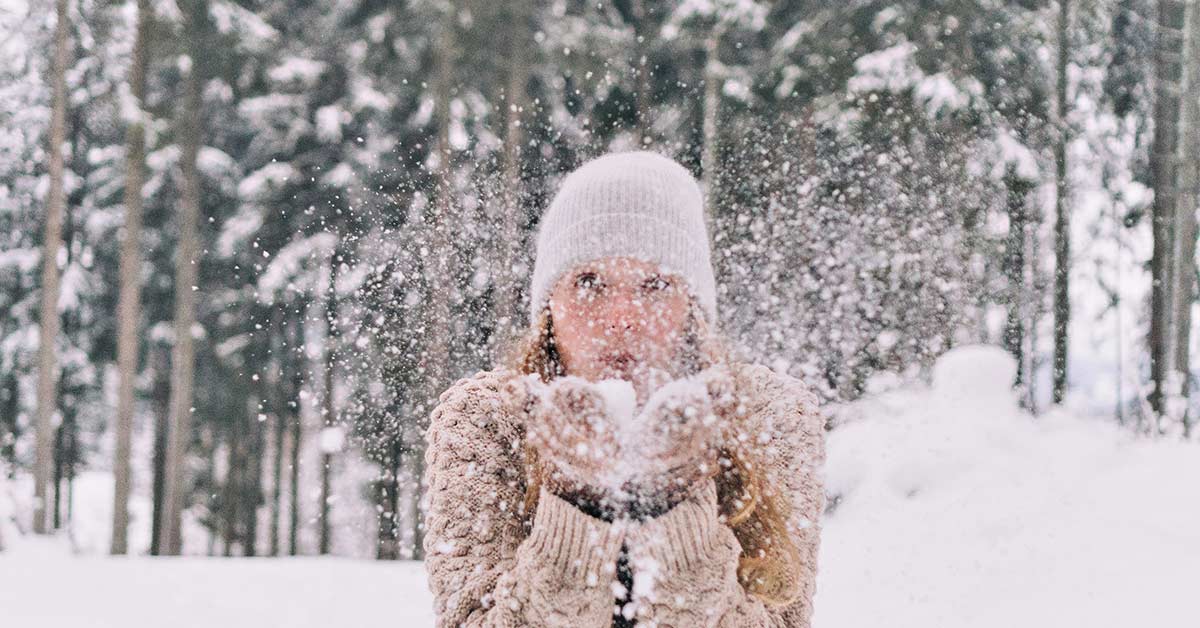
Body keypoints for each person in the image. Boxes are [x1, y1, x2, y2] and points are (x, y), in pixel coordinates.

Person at [422, 151, 826, 627]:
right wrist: (576, 503)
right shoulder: (490, 418)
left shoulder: (766, 416)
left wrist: (675, 506)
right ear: (548, 305)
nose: (622, 319)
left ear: (693, 307)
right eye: (589, 281)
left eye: (654, 284)